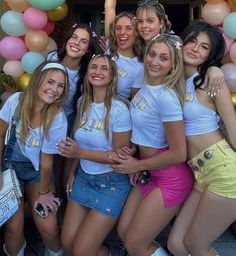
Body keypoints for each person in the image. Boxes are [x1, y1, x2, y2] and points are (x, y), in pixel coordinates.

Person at [111, 34, 194, 256]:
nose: (155, 62)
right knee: (124, 231)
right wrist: (135, 152)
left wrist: (136, 166)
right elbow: (146, 131)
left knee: (135, 243)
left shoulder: (166, 97)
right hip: (149, 169)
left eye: (164, 58)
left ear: (173, 64)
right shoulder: (145, 88)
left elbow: (179, 153)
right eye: (152, 54)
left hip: (170, 177)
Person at [167, 21, 236, 256]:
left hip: (223, 171)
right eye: (192, 41)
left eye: (204, 47)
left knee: (196, 244)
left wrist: (215, 69)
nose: (196, 48)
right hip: (200, 173)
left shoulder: (211, 81)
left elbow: (233, 128)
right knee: (177, 245)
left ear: (210, 55)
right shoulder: (173, 80)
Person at [57, 54, 132, 256]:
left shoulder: (119, 109)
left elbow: (119, 157)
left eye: (104, 68)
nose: (97, 72)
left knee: (82, 251)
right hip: (83, 178)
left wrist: (79, 153)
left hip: (111, 183)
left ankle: (115, 252)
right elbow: (77, 143)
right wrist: (73, 171)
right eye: (94, 67)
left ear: (112, 76)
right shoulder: (83, 102)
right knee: (67, 242)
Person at [0, 61, 69, 256]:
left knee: (48, 225)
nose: (54, 89)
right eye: (50, 82)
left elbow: (47, 162)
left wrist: (44, 192)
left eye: (60, 85)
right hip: (9, 168)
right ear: (38, 79)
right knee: (14, 227)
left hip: (37, 172)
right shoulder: (16, 101)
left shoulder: (56, 116)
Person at [99, 0, 143, 100]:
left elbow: (135, 105)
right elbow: (109, 7)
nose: (122, 32)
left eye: (128, 28)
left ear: (137, 32)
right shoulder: (110, 46)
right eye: (118, 28)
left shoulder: (140, 66)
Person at [47, 23, 96, 132]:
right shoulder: (51, 58)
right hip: (40, 119)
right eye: (74, 37)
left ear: (88, 49)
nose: (76, 43)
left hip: (66, 126)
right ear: (67, 40)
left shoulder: (87, 75)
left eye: (83, 41)